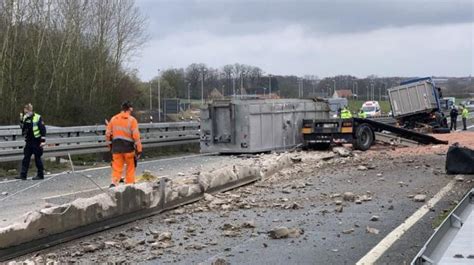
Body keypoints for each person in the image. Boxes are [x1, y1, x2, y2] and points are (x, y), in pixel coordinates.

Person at [106, 101, 142, 187]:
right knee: (130, 167)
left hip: (116, 148)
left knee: (117, 167)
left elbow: (108, 134)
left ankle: (114, 183)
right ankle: (129, 186)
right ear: (130, 109)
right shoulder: (132, 120)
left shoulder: (113, 119)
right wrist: (139, 150)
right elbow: (136, 137)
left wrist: (110, 147)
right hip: (128, 148)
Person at [16, 104, 46, 180]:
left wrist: (43, 141)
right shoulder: (25, 117)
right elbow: (23, 128)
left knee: (37, 158)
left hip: (37, 140)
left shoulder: (37, 117)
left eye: (26, 110)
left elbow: (43, 129)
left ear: (30, 110)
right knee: (26, 158)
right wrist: (21, 121)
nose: (24, 111)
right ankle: (23, 175)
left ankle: (40, 175)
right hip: (29, 141)